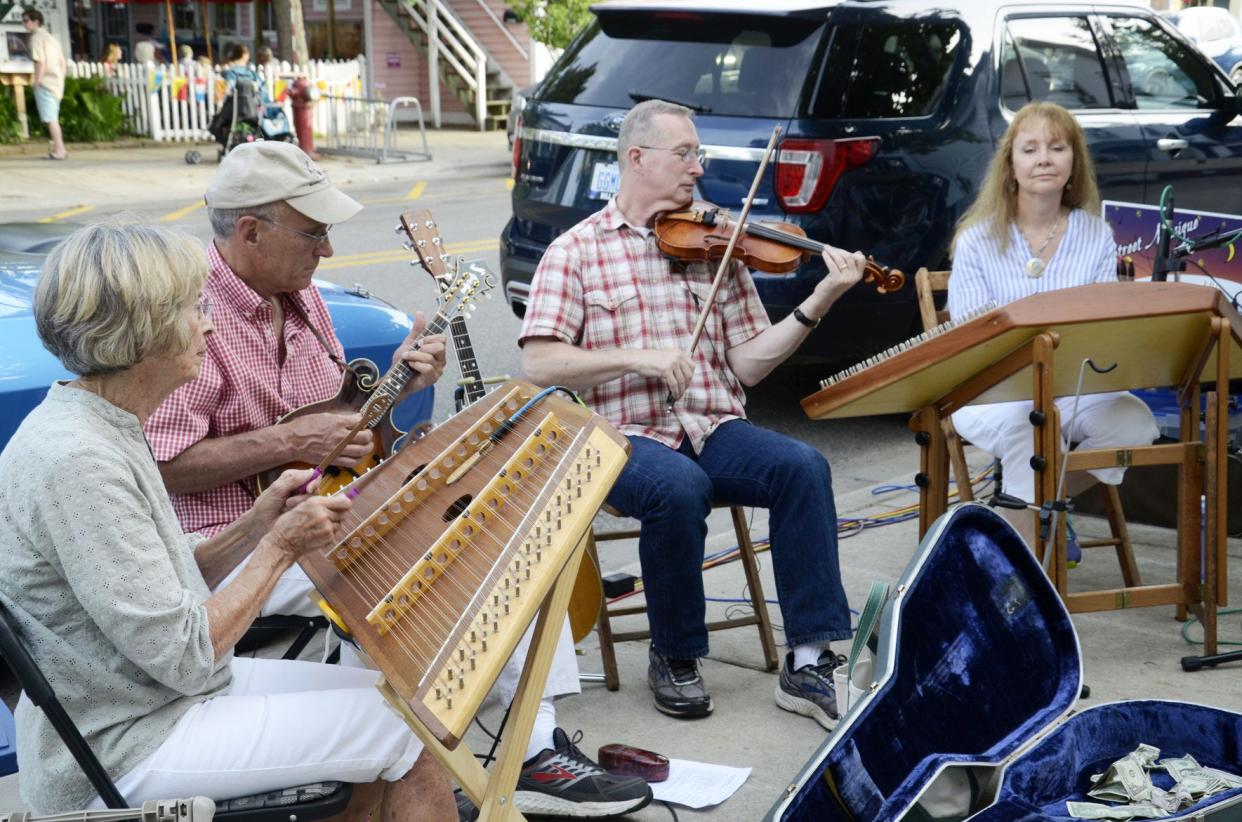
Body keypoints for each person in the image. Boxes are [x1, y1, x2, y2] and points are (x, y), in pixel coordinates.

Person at [143, 140, 651, 818]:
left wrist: (402, 385)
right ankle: (482, 757)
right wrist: (290, 441)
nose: (326, 249)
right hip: (229, 546)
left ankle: (532, 742)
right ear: (250, 231)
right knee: (444, 569)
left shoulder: (298, 297)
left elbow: (337, 428)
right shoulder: (189, 314)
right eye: (314, 230)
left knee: (505, 530)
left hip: (322, 516)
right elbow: (164, 465)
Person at [0, 221, 455, 817]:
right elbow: (185, 653)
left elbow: (163, 586)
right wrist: (280, 548)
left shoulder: (96, 420)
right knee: (410, 735)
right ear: (143, 329)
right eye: (194, 307)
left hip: (151, 702)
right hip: (120, 742)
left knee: (400, 705)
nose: (210, 323)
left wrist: (257, 523)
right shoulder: (78, 460)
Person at [520, 99, 863, 729]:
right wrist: (638, 359)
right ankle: (675, 655)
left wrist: (820, 298)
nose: (697, 168)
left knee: (803, 467)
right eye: (685, 154)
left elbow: (752, 365)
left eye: (698, 154)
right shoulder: (574, 252)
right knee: (680, 487)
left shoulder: (715, 244)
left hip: (713, 424)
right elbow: (541, 364)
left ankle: (810, 659)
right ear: (637, 157)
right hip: (623, 436)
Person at [947, 101, 1159, 552]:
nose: (1044, 158)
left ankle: (1026, 511)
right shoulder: (976, 239)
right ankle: (1023, 578)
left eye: (1057, 147)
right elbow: (967, 340)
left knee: (1136, 424)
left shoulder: (1095, 233)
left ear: (1072, 163)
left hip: (1073, 384)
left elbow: (1103, 326)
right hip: (990, 389)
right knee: (1030, 423)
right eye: (1030, 149)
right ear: (1011, 166)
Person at [21, 7, 66, 161]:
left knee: (51, 119)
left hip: (46, 82)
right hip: (57, 82)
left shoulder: (36, 38)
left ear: (36, 21)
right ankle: (58, 148)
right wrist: (61, 79)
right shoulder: (51, 38)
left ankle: (59, 150)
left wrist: (37, 80)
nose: (24, 24)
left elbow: (40, 61)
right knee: (54, 117)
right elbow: (62, 62)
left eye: (26, 20)